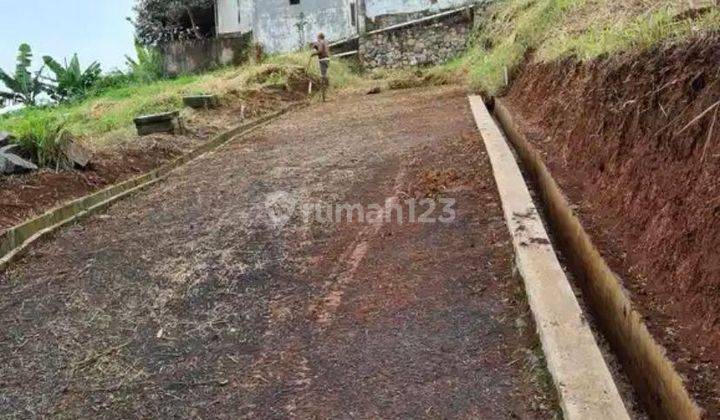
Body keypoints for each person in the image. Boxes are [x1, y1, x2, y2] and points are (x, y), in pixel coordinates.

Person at [311, 33, 330, 102]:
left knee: (323, 76)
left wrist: (313, 54)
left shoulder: (321, 42)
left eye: (317, 37)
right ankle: (324, 94)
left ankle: (324, 95)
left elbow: (320, 51)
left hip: (323, 60)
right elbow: (322, 49)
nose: (317, 39)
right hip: (327, 59)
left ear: (319, 37)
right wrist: (316, 47)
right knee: (324, 75)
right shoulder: (325, 42)